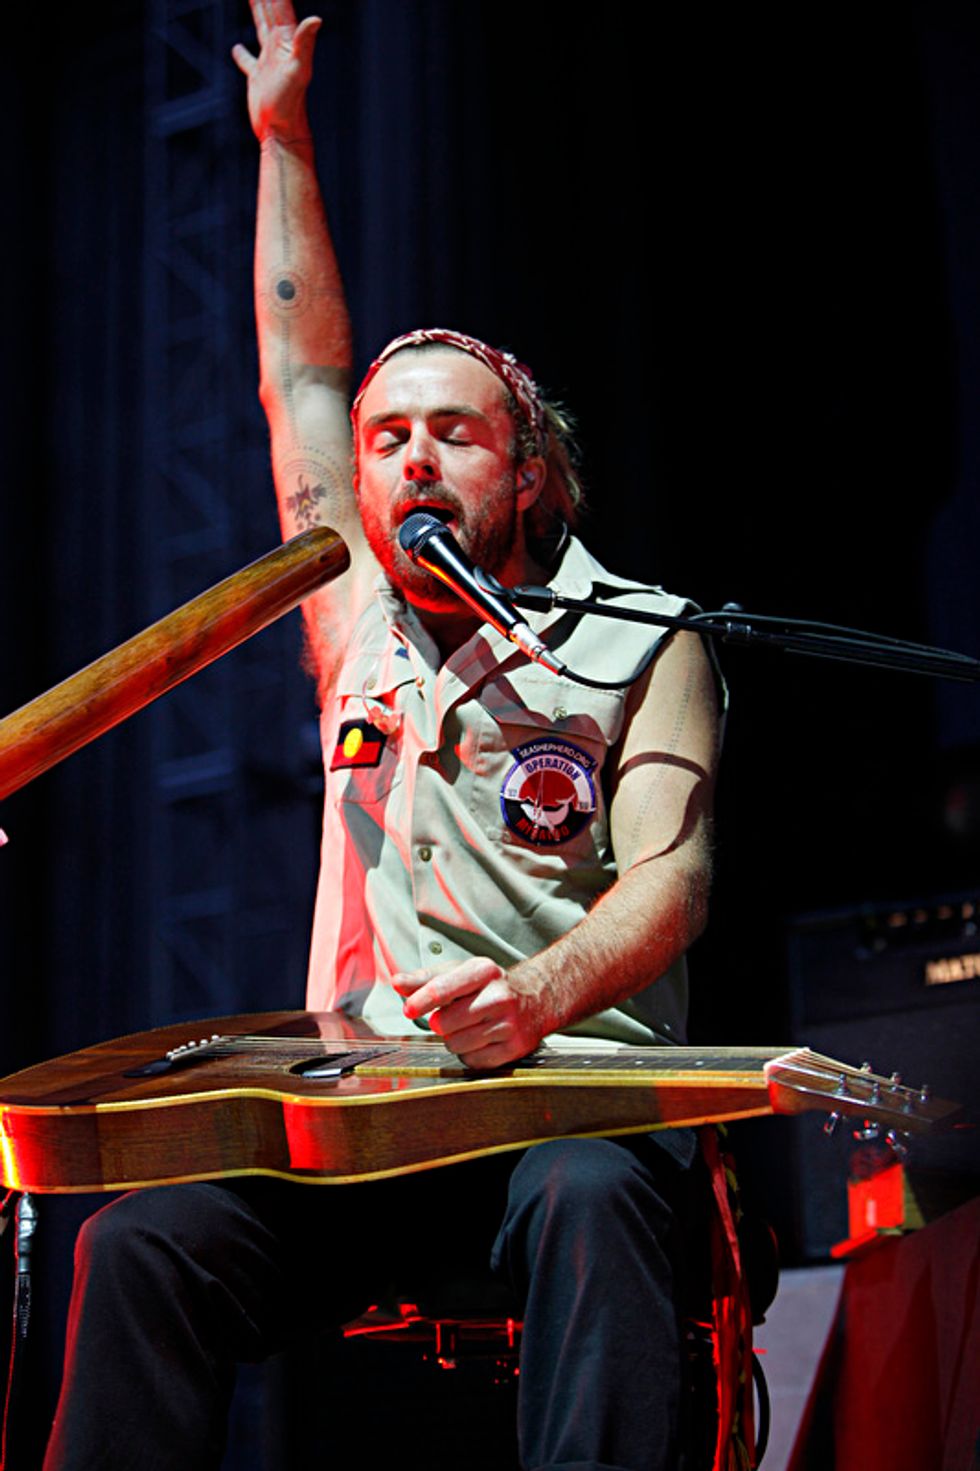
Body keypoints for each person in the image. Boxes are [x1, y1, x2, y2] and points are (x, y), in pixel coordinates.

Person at [42, 5, 722, 1469]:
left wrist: (529, 998)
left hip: (565, 1104)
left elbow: (672, 881)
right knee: (139, 1246)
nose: (411, 458)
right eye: (387, 438)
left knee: (594, 1200)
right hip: (367, 1116)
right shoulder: (353, 618)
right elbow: (299, 371)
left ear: (526, 472)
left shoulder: (647, 636)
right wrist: (280, 135)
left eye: (452, 434)